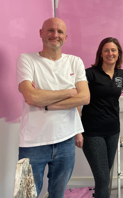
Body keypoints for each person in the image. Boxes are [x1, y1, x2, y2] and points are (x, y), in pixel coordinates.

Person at [16, 17, 90, 197]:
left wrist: (47, 104)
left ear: (66, 37)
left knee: (57, 193)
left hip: (65, 141)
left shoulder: (75, 62)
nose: (55, 35)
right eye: (50, 30)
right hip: (32, 143)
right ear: (41, 33)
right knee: (25, 194)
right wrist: (70, 92)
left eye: (60, 32)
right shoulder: (26, 60)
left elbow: (85, 97)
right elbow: (31, 97)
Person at [78, 37, 123, 198]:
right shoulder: (90, 74)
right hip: (93, 132)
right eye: (106, 50)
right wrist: (77, 131)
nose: (110, 53)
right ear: (100, 54)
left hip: (113, 131)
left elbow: (121, 84)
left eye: (114, 50)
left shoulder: (120, 73)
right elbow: (78, 101)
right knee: (103, 178)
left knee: (106, 175)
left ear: (119, 53)